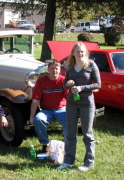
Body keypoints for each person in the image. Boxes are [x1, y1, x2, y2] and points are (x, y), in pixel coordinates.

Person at [57, 42, 101, 171]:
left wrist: (83, 87)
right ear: (73, 53)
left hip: (87, 104)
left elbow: (98, 84)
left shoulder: (91, 65)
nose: (80, 54)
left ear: (85, 52)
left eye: (82, 51)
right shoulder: (69, 66)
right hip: (71, 103)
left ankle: (89, 162)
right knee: (70, 133)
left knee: (87, 134)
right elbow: (64, 85)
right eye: (78, 51)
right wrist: (68, 83)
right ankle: (69, 160)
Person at [30, 60, 68, 153]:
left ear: (60, 70)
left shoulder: (64, 80)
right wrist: (32, 117)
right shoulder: (41, 81)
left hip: (61, 109)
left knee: (70, 121)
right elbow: (35, 99)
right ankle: (45, 143)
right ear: (48, 69)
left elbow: (69, 98)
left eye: (56, 68)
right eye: (52, 68)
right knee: (38, 119)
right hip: (46, 110)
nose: (54, 70)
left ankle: (67, 144)